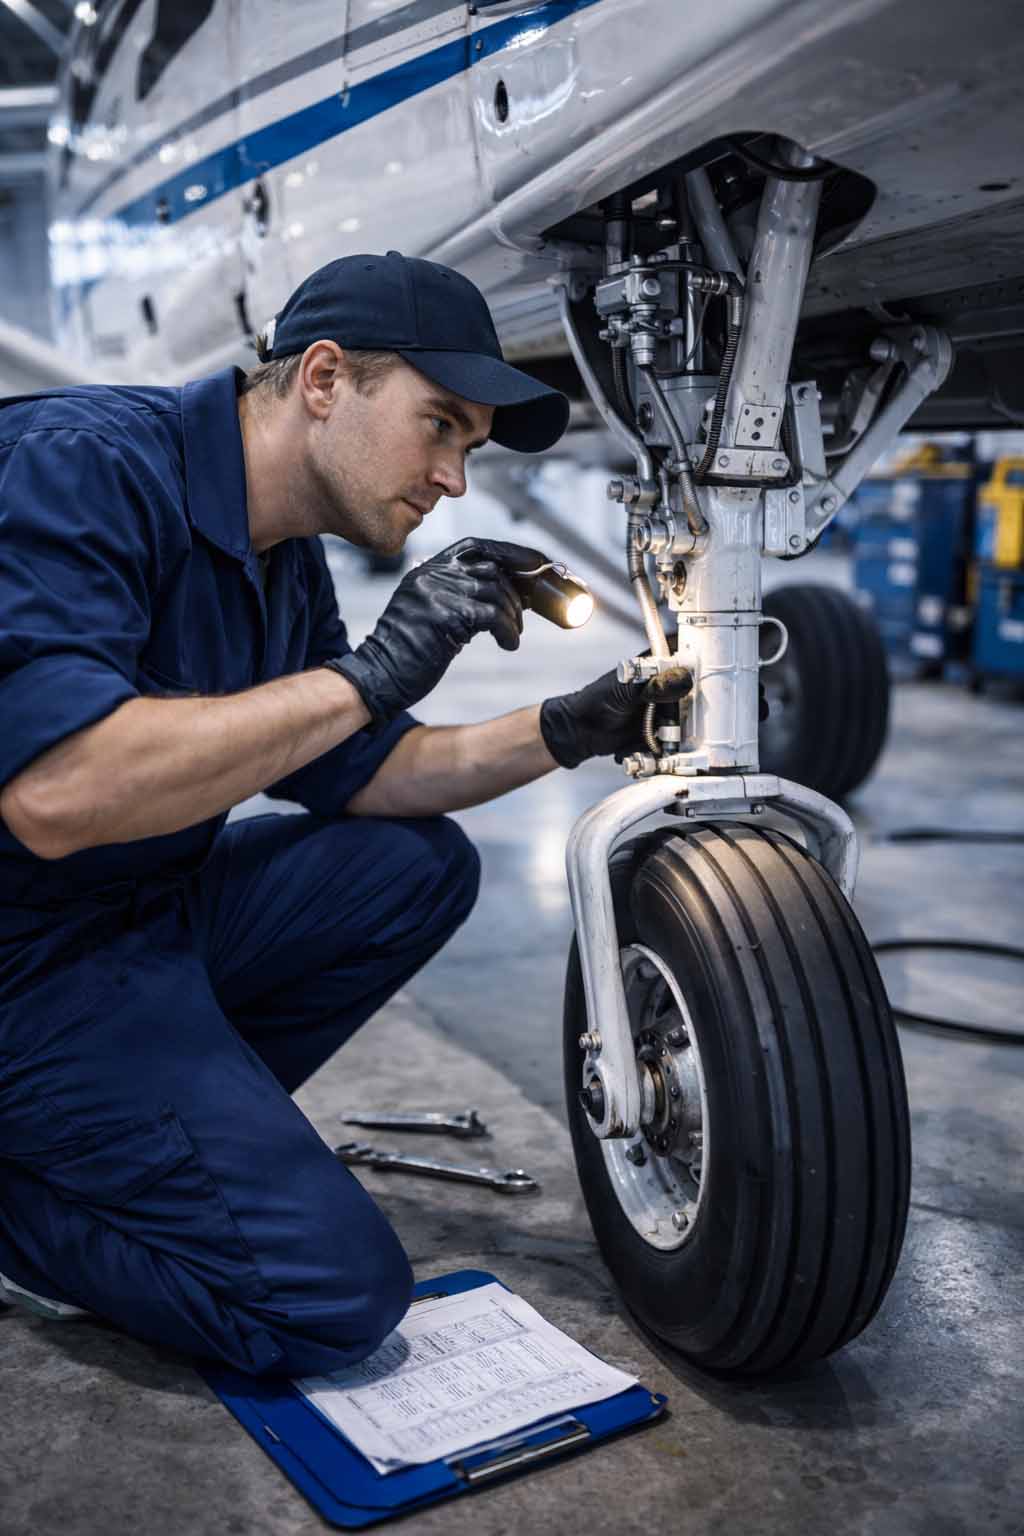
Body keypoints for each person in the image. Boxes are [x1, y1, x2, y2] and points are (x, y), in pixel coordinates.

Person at [0, 251, 690, 1376]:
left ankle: (137, 1135)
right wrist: (368, 673)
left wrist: (568, 727)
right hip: (22, 960)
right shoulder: (81, 468)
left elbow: (366, 770)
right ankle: (39, 1193)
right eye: (439, 426)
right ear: (323, 379)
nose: (452, 479)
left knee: (415, 865)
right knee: (329, 1300)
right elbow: (55, 793)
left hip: (133, 917)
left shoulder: (284, 556)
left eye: (469, 447)